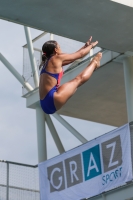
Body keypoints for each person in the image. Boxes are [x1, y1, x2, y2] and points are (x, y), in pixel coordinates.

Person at [39, 36, 102, 114]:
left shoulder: (48, 63)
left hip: (44, 104)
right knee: (78, 80)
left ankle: (94, 64)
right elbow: (80, 54)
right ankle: (95, 63)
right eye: (59, 47)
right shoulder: (57, 58)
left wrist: (85, 47)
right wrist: (91, 46)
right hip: (53, 98)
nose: (61, 49)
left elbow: (73, 57)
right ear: (56, 50)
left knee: (75, 85)